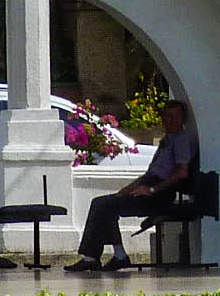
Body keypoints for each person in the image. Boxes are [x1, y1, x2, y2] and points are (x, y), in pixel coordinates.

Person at [68, 98, 199, 273]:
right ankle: (102, 256)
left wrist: (151, 189)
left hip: (160, 194)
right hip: (149, 186)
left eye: (175, 117)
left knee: (105, 205)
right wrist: (131, 187)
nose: (170, 121)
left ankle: (107, 257)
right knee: (103, 203)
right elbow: (150, 173)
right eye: (167, 116)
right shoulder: (168, 140)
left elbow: (182, 172)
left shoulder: (181, 140)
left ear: (182, 119)